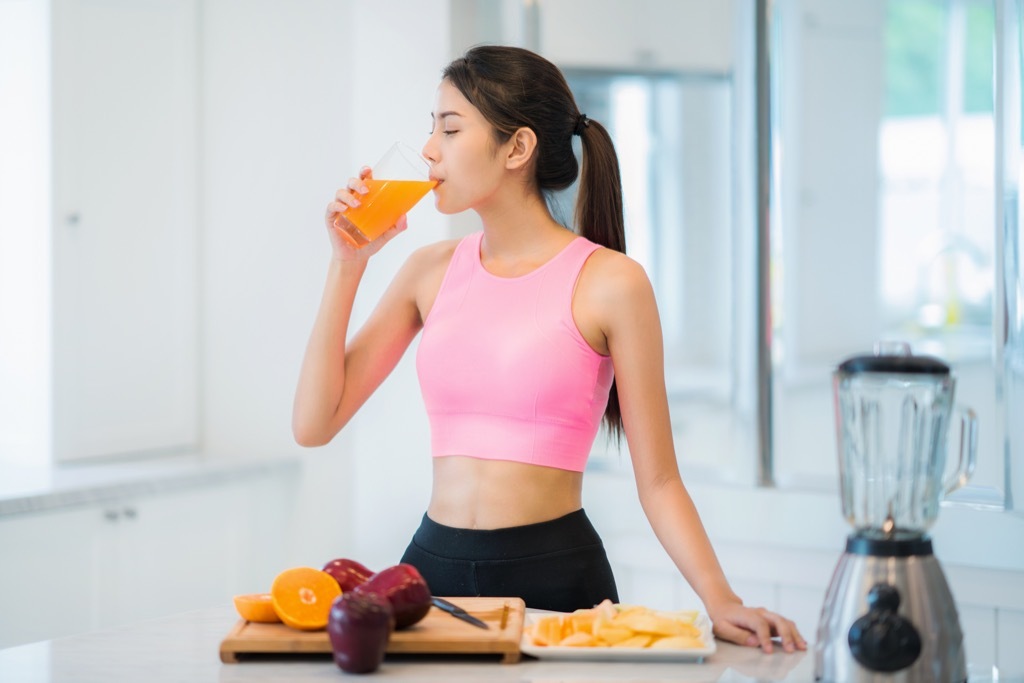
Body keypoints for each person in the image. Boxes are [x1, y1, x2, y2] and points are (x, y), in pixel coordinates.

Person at [293, 45, 806, 653]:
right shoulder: (426, 272)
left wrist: (721, 600)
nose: (429, 150)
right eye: (430, 129)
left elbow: (661, 481)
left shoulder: (613, 283)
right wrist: (346, 265)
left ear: (517, 148)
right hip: (430, 577)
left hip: (556, 576)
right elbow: (313, 424)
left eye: (450, 129)